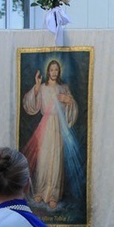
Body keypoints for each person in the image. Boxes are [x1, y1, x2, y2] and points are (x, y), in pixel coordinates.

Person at [22, 59, 83, 210]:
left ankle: (53, 195)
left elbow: (73, 107)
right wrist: (36, 87)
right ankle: (41, 191)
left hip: (58, 126)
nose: (54, 72)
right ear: (48, 71)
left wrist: (68, 100)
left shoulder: (63, 88)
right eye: (52, 70)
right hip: (45, 125)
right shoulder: (42, 88)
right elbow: (30, 105)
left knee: (56, 160)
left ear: (59, 71)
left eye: (56, 70)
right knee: (43, 159)